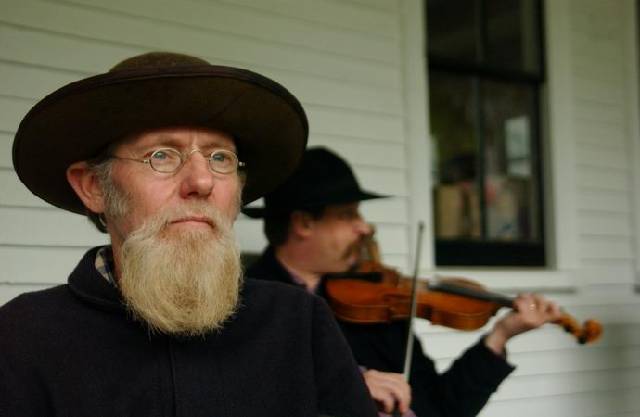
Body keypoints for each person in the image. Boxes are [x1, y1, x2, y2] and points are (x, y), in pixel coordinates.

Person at [0, 52, 378, 417]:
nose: (202, 181)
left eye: (220, 158)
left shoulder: (298, 322)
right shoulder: (25, 335)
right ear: (94, 187)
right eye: (162, 155)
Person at [244, 146, 564, 417]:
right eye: (347, 215)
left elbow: (441, 407)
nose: (364, 228)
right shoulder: (248, 303)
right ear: (303, 223)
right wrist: (349, 385)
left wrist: (500, 336)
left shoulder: (377, 301)